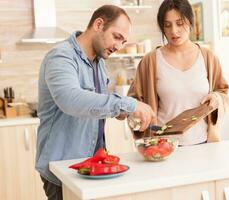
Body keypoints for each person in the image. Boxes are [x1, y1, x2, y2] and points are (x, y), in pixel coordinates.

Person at [36, 5, 154, 200]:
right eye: (117, 37)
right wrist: (128, 104)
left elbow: (94, 106)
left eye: (123, 41)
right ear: (99, 24)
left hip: (92, 165)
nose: (119, 46)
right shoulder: (61, 56)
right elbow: (71, 100)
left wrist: (119, 112)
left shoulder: (98, 62)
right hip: (63, 170)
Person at [128, 0, 229, 145]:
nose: (174, 31)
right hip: (163, 145)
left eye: (180, 23)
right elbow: (134, 102)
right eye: (167, 25)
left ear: (190, 21)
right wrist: (136, 116)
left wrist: (216, 98)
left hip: (203, 143)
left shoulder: (208, 58)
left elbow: (223, 92)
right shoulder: (150, 61)